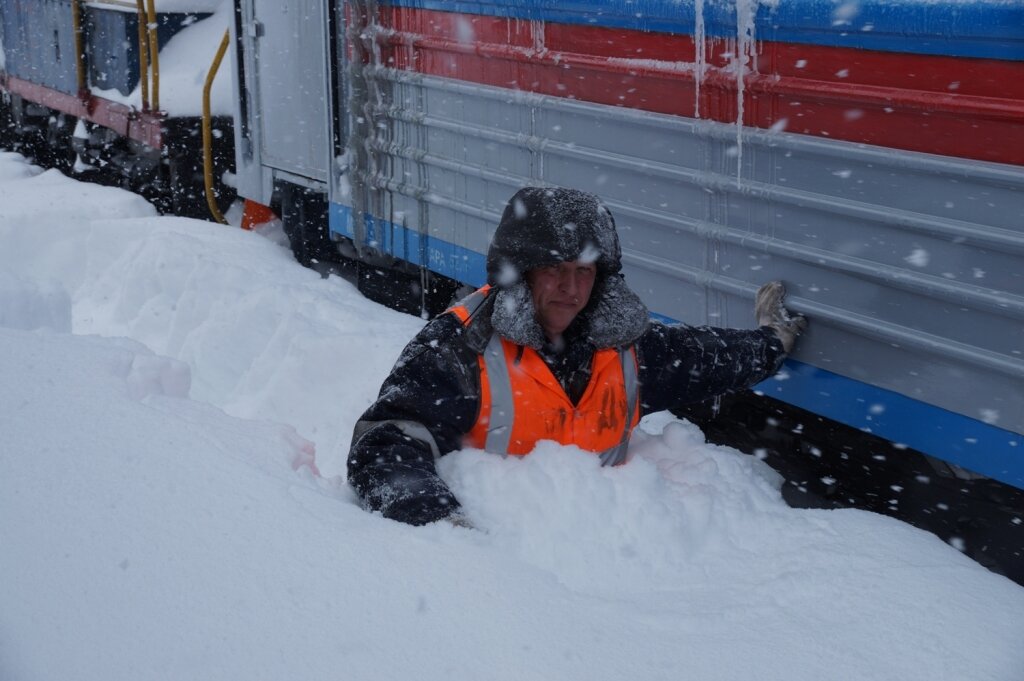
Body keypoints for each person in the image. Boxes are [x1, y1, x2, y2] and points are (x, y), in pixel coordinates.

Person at [348, 187, 806, 526]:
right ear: (520, 272)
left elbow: (704, 359)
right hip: (504, 568)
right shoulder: (460, 347)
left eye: (584, 272)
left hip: (607, 567)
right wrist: (438, 524)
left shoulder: (626, 349)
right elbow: (388, 440)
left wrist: (769, 343)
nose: (571, 289)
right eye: (554, 270)